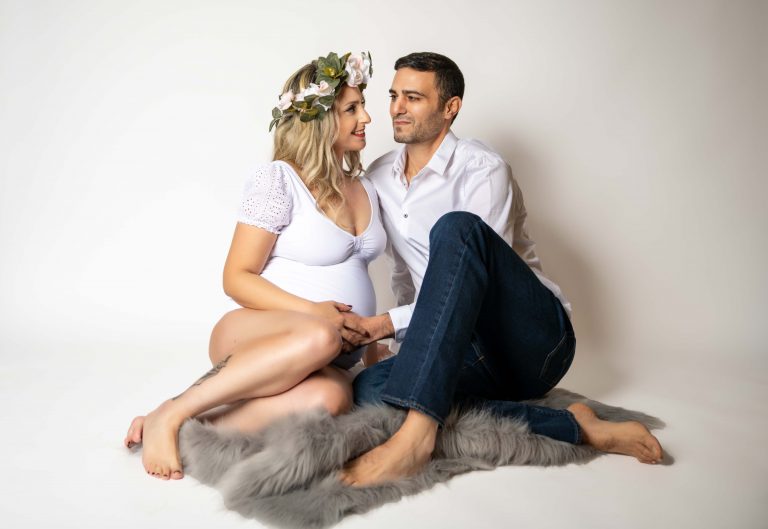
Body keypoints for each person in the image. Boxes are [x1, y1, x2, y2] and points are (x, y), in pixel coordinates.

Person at [338, 52, 664, 487]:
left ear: (450, 107)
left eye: (413, 98)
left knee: (455, 228)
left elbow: (475, 288)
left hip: (531, 344)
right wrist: (405, 348)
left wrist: (383, 325)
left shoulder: (482, 168)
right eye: (394, 95)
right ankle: (577, 425)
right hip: (463, 350)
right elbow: (405, 276)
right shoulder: (380, 177)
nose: (397, 107)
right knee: (369, 389)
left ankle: (417, 435)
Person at [123, 51, 386, 480]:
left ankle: (189, 430)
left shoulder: (366, 187)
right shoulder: (280, 180)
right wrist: (314, 312)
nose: (367, 118)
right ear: (320, 119)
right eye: (352, 109)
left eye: (363, 106)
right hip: (258, 332)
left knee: (335, 400)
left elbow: (360, 278)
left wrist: (372, 352)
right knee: (320, 334)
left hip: (332, 357)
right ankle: (172, 411)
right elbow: (236, 278)